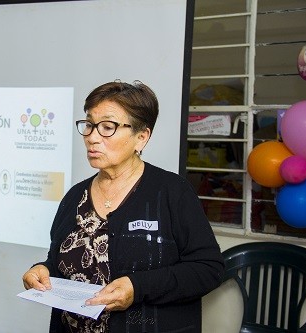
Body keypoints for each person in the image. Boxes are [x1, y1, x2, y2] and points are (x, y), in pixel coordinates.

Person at [22, 80, 225, 333]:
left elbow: (209, 269)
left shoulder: (172, 192)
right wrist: (42, 270)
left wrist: (138, 287)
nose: (92, 137)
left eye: (107, 127)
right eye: (89, 125)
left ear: (141, 137)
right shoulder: (75, 197)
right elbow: (60, 262)